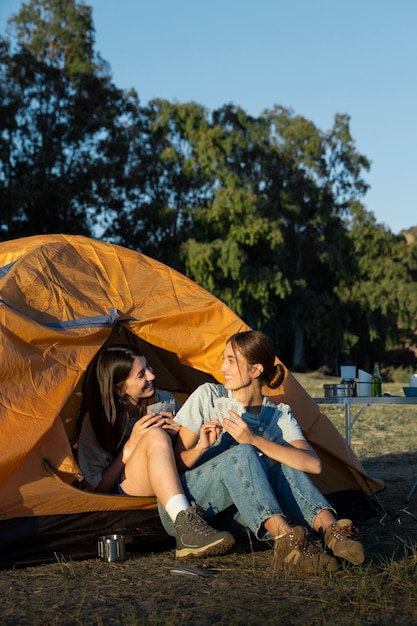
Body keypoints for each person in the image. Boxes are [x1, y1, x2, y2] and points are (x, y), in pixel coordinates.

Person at [158, 330, 365, 573]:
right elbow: (175, 464)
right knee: (243, 453)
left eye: (231, 361)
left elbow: (313, 464)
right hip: (191, 513)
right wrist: (202, 446)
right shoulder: (208, 397)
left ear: (256, 370)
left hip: (240, 518)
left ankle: (332, 532)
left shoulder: (278, 414)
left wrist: (255, 439)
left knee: (286, 464)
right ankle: (286, 540)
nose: (223, 367)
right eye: (224, 359)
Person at [77, 343, 235, 558]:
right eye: (141, 374)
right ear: (119, 388)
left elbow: (181, 457)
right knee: (154, 435)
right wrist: (130, 447)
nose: (151, 376)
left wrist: (180, 435)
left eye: (149, 367)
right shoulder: (96, 421)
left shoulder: (164, 400)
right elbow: (98, 489)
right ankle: (187, 528)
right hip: (125, 490)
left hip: (169, 483)